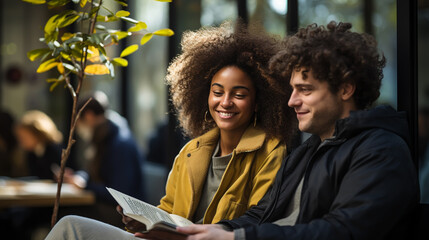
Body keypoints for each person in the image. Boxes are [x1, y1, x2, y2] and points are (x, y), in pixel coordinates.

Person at [44, 21, 296, 239]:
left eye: (239, 94)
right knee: (70, 227)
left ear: (258, 102)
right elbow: (168, 209)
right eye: (217, 92)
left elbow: (261, 219)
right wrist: (143, 220)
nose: (225, 102)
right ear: (203, 96)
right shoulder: (191, 151)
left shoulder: (270, 151)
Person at [173, 21, 420, 240]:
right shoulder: (308, 151)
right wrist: (221, 229)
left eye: (305, 90)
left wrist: (240, 237)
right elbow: (263, 213)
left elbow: (342, 231)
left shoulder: (382, 151)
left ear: (345, 89)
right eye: (292, 90)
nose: (292, 101)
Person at [60, 91, 145, 227]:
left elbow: (120, 193)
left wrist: (86, 185)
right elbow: (95, 173)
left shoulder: (119, 143)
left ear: (89, 116)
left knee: (64, 216)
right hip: (111, 208)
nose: (78, 129)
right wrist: (81, 177)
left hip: (124, 216)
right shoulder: (106, 137)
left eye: (79, 121)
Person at [15, 110, 63, 180]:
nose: (21, 142)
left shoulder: (54, 150)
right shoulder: (31, 153)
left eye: (24, 138)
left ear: (37, 134)